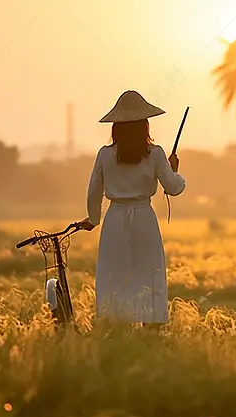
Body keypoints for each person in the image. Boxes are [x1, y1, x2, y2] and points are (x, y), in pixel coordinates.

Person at [77, 90, 186, 327]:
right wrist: (174, 170)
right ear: (144, 126)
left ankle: (115, 323)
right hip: (144, 220)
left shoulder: (105, 154)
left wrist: (94, 219)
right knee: (147, 271)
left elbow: (94, 190)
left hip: (115, 220)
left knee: (114, 273)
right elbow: (174, 187)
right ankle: (151, 325)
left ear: (116, 127)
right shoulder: (155, 154)